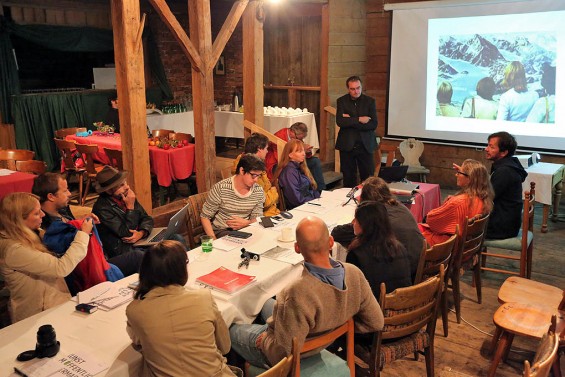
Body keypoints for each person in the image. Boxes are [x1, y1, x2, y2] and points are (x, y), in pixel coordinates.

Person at [229, 216, 384, 368]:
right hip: (308, 329)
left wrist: (264, 341)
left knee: (228, 328)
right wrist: (336, 326)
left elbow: (283, 353)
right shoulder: (354, 274)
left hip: (286, 348)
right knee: (263, 302)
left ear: (297, 248)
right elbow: (376, 321)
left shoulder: (298, 292)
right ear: (330, 242)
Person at [126, 240, 237, 377]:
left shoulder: (134, 310)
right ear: (181, 269)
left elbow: (137, 343)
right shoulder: (203, 298)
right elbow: (225, 346)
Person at [0, 192, 91, 322]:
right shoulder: (14, 250)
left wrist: (78, 222)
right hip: (37, 315)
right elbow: (60, 268)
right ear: (19, 220)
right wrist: (83, 235)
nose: (43, 215)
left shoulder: (29, 233)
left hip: (49, 307)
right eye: (36, 213)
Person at [331, 176, 424, 280]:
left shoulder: (374, 216)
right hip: (419, 262)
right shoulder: (400, 206)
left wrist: (356, 220)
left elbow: (338, 233)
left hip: (407, 271)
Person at [92, 166, 152, 276]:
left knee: (176, 238)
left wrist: (141, 233)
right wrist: (130, 208)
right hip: (124, 250)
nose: (127, 187)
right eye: (121, 185)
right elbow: (127, 233)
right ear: (109, 191)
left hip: (140, 241)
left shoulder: (126, 196)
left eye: (125, 183)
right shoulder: (102, 209)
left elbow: (146, 218)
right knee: (158, 254)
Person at [418, 159, 494, 246]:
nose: (456, 174)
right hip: (467, 246)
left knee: (407, 232)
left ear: (469, 179)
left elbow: (432, 222)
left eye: (459, 173)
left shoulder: (458, 202)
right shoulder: (483, 199)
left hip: (447, 248)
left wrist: (447, 203)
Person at [346, 201, 412, 297]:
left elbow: (352, 293)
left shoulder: (356, 255)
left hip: (374, 309)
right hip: (404, 306)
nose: (353, 223)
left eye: (356, 220)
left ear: (364, 225)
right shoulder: (400, 247)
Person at [201, 154, 265, 238]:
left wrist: (247, 223)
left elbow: (257, 218)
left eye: (258, 176)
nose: (256, 180)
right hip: (222, 230)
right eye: (253, 175)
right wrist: (213, 240)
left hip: (247, 229)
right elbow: (205, 216)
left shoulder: (258, 191)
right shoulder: (221, 188)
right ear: (242, 171)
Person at [336, 76, 378, 187]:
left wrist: (350, 120)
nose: (356, 91)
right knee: (348, 178)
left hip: (365, 145)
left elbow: (373, 124)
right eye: (352, 89)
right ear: (348, 89)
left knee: (368, 179)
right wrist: (359, 119)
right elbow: (340, 122)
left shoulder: (370, 101)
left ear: (361, 87)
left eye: (358, 88)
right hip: (347, 145)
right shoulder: (341, 101)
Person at [485, 131, 528, 239]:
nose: (486, 149)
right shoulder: (508, 165)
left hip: (502, 227)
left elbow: (486, 196)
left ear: (503, 152)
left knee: (458, 227)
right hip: (506, 221)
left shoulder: (505, 172)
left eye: (491, 147)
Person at [264, 122, 326, 190]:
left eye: (302, 138)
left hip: (294, 160)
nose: (300, 140)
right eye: (299, 138)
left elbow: (301, 153)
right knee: (291, 168)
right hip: (277, 163)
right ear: (292, 132)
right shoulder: (279, 137)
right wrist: (299, 152)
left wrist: (307, 151)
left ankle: (321, 190)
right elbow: (282, 157)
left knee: (315, 161)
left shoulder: (297, 137)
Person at [232, 133, 280, 216]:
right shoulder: (250, 171)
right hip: (264, 215)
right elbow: (263, 202)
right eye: (266, 148)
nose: (267, 151)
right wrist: (274, 191)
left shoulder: (257, 165)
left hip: (270, 211)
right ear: (259, 149)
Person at [32, 173, 99, 231]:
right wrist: (83, 232)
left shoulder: (62, 209)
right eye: (65, 191)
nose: (69, 194)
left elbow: (70, 225)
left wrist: (81, 222)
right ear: (51, 197)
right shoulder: (47, 226)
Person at [273, 139, 320, 209]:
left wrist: (319, 199)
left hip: (309, 203)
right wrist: (314, 201)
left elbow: (312, 189)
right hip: (300, 208)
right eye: (299, 151)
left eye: (303, 150)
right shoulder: (289, 172)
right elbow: (296, 199)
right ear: (290, 155)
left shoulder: (300, 167)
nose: (304, 154)